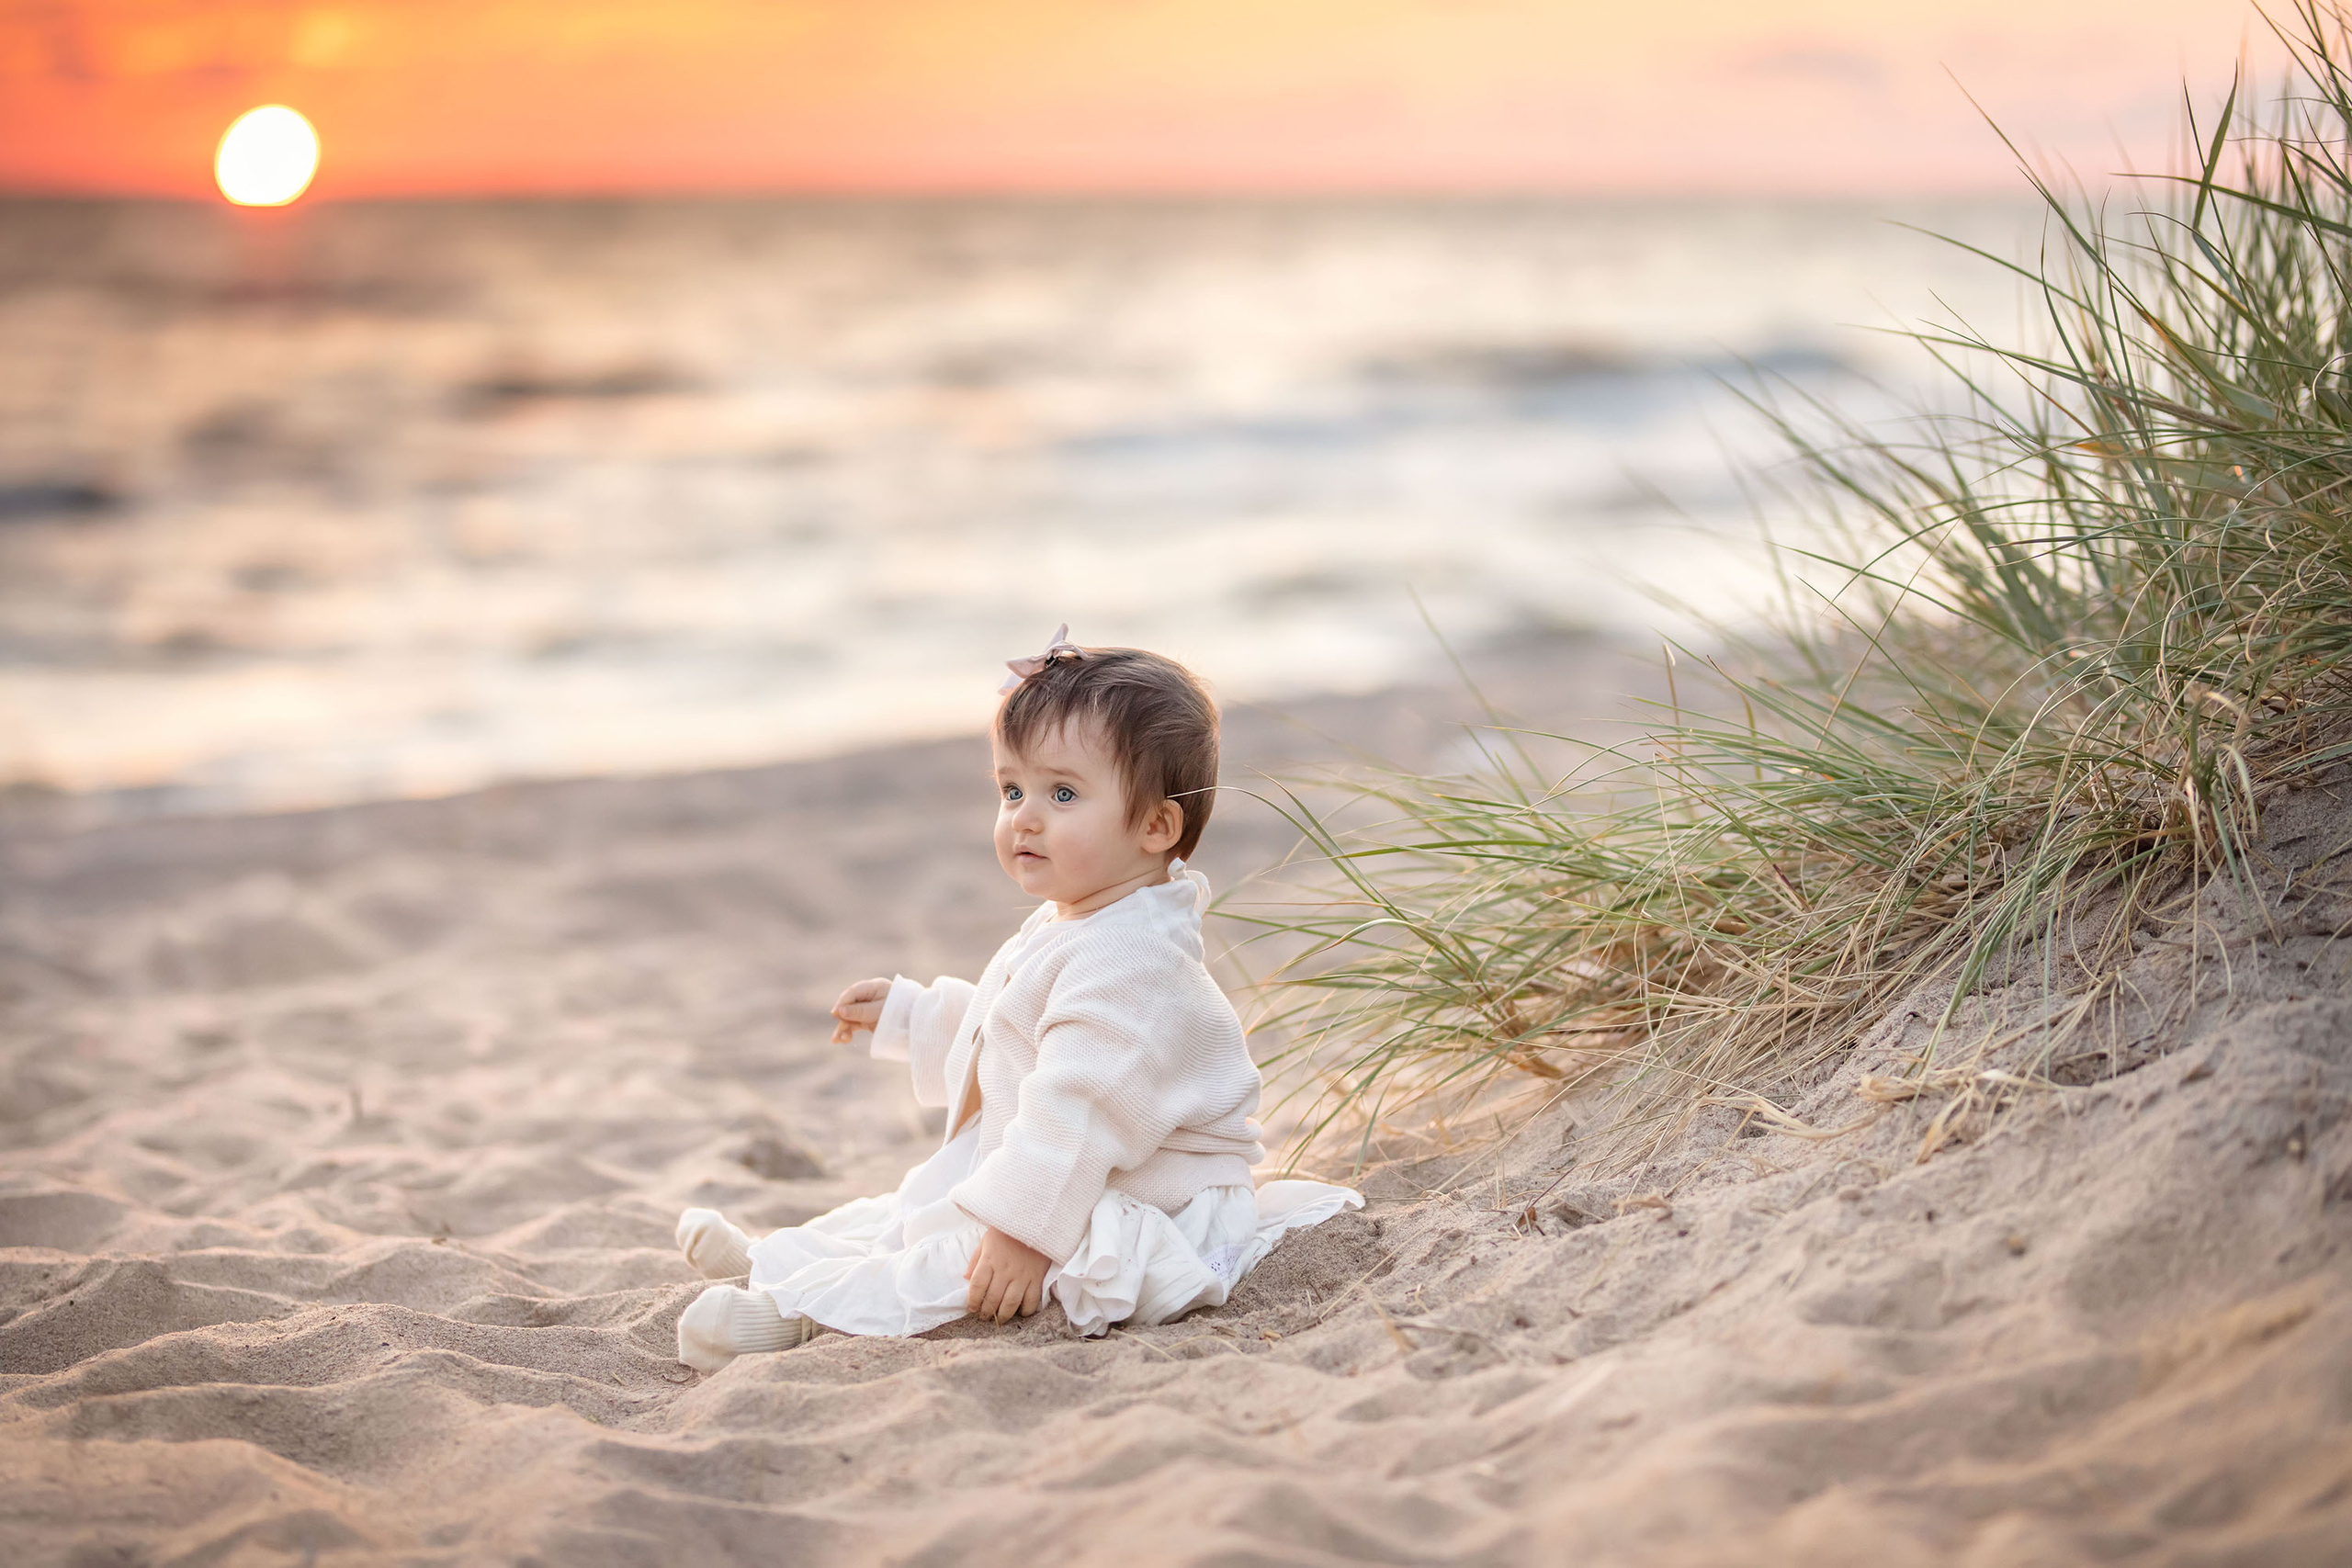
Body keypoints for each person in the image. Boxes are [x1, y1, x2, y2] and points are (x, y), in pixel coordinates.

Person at [673, 627, 1361, 1371]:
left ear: (1157, 825)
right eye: (1011, 789)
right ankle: (780, 1259)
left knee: (966, 1255)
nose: (1024, 817)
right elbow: (1018, 1028)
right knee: (910, 1208)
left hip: (1132, 1196)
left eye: (1062, 793)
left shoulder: (1134, 961)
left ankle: (796, 1315)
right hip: (1074, 1171)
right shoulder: (1089, 913)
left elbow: (1078, 1104)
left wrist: (1024, 1230)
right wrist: (915, 1015)